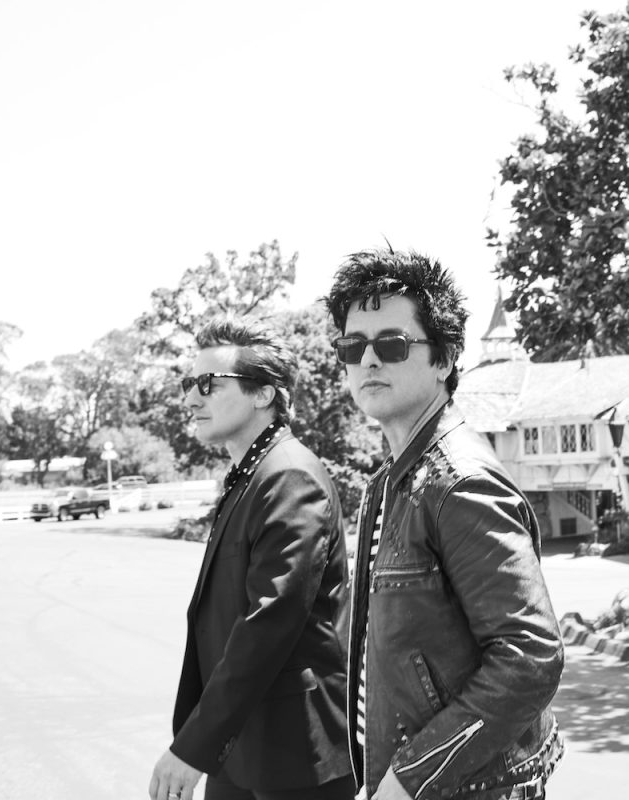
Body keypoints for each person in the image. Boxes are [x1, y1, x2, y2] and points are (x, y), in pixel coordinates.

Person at [324, 248, 564, 800]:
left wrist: (411, 778)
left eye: (391, 343)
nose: (369, 361)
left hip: (472, 788)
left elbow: (530, 657)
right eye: (352, 346)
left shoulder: (459, 483)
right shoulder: (392, 479)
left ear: (445, 359)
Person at [149, 319, 355, 800]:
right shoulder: (251, 474)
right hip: (240, 745)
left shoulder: (289, 477)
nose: (191, 399)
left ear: (263, 394)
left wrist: (193, 745)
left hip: (293, 755)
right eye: (188, 384)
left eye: (207, 385)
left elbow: (267, 625)